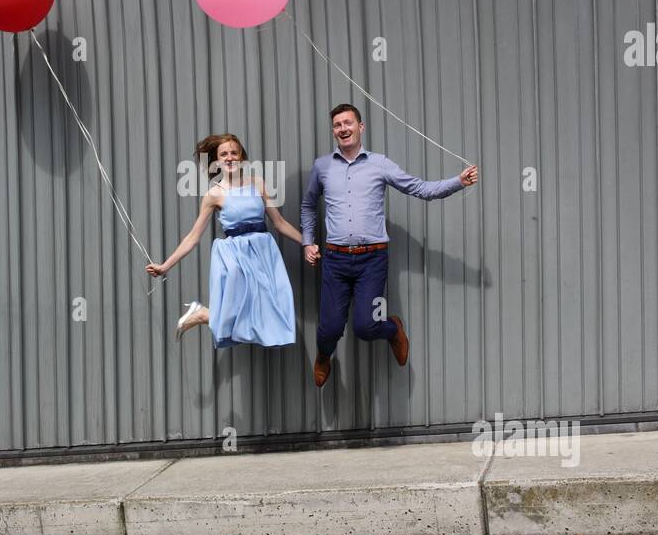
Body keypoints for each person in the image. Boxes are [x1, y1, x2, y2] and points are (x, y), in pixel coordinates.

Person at [301, 103, 479, 387]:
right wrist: (308, 242)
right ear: (333, 131)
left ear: (360, 127)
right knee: (328, 330)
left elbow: (421, 189)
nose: (343, 129)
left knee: (366, 326)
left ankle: (393, 328)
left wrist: (458, 182)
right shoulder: (322, 166)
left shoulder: (380, 164)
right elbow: (309, 206)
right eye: (337, 125)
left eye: (348, 123)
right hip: (335, 260)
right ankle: (324, 355)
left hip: (372, 260)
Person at [147, 134, 302, 347]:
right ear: (217, 161)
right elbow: (193, 236)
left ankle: (203, 314)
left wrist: (308, 243)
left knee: (270, 310)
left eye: (233, 153)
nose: (229, 158)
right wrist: (165, 266)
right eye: (224, 154)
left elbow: (279, 222)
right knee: (237, 311)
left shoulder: (258, 184)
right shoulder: (214, 194)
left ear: (241, 157)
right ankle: (202, 314)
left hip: (262, 252)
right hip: (234, 256)